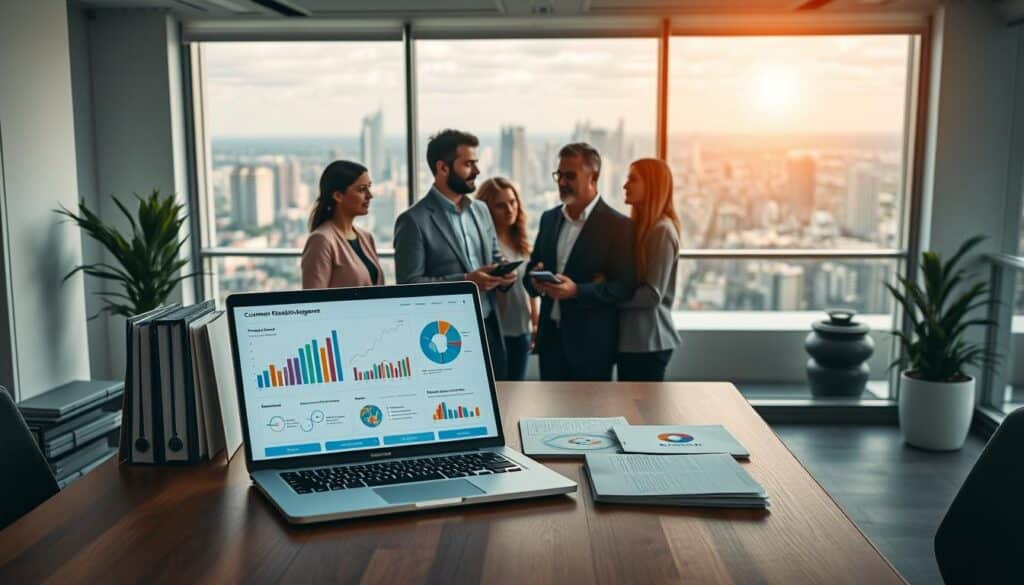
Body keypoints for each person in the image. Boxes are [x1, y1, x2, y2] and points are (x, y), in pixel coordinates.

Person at [394, 129, 516, 379]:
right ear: (443, 168)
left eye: (476, 163)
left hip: (489, 327)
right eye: (468, 164)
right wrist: (467, 281)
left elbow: (493, 257)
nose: (477, 171)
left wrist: (503, 274)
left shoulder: (481, 210)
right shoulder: (413, 221)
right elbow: (408, 286)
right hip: (444, 338)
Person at [524, 143, 634, 381]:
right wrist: (536, 282)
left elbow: (624, 287)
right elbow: (530, 272)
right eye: (559, 175)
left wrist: (576, 291)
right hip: (551, 342)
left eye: (570, 175)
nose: (562, 182)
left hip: (591, 347)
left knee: (592, 415)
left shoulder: (618, 226)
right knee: (550, 416)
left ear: (593, 178)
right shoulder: (549, 219)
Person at [617, 158, 683, 381]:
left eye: (632, 179)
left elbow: (652, 295)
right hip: (636, 340)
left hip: (648, 341)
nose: (625, 185)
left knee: (641, 412)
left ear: (652, 186)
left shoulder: (661, 231)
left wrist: (607, 296)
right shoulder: (641, 229)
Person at [476, 177, 538, 381]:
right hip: (498, 328)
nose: (510, 209)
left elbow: (528, 284)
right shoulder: (484, 243)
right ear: (487, 209)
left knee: (518, 387)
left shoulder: (520, 239)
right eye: (501, 205)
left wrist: (535, 321)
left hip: (522, 326)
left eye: (512, 202)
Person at [301, 160, 384, 289]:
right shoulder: (321, 241)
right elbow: (313, 301)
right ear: (338, 196)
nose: (370, 195)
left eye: (369, 187)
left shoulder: (366, 237)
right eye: (362, 189)